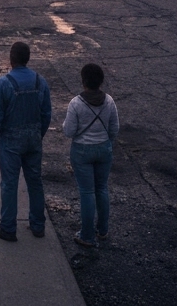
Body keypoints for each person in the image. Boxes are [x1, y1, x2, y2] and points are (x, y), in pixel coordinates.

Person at [0, 41, 52, 240]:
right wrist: (38, 135)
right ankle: (38, 226)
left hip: (11, 141)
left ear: (11, 59)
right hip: (33, 138)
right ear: (28, 59)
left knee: (9, 184)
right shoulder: (41, 82)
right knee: (35, 182)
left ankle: (8, 228)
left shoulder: (4, 84)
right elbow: (46, 114)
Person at [63, 63, 119, 248]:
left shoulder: (76, 103)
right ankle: (102, 230)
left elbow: (69, 131)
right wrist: (105, 142)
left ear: (83, 80)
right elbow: (114, 129)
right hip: (104, 149)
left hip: (82, 151)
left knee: (87, 192)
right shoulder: (109, 101)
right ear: (101, 81)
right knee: (101, 188)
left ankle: (87, 235)